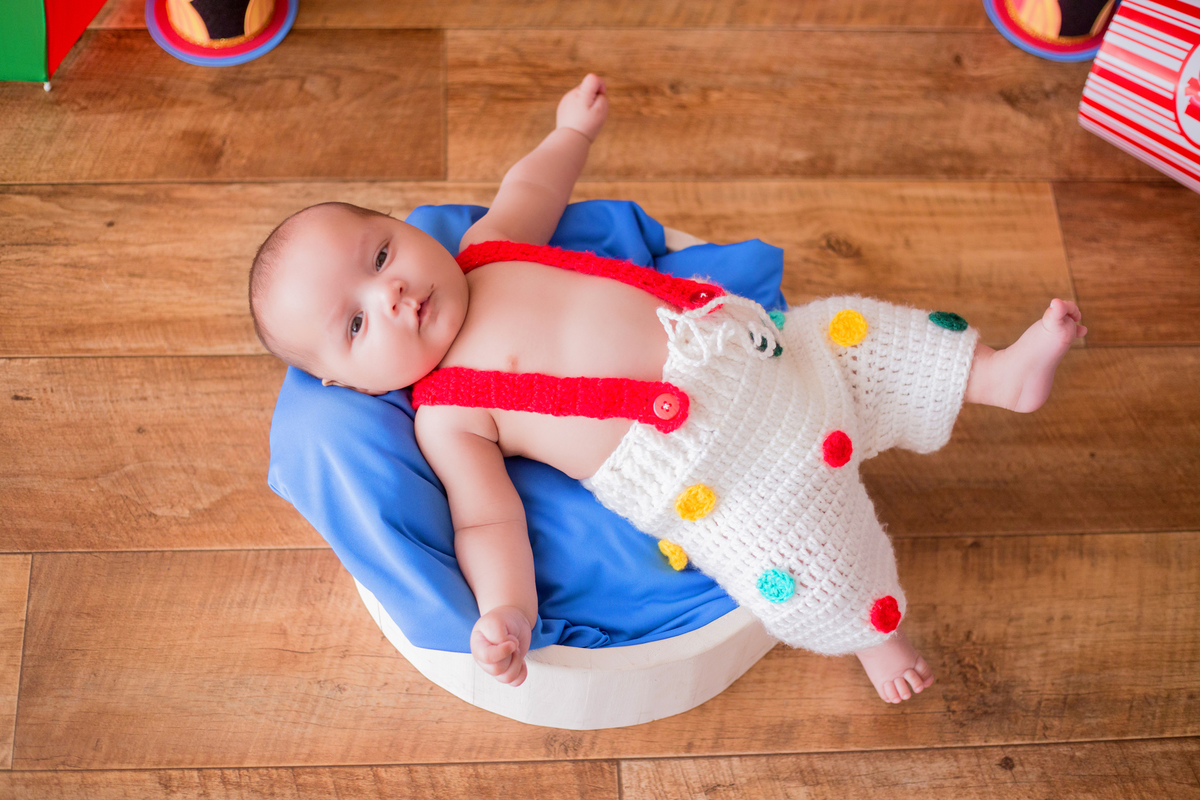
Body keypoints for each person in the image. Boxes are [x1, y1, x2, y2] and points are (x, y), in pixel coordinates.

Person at [248, 74, 1086, 704]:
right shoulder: (449, 415)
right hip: (709, 474)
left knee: (862, 337)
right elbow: (486, 517)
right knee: (810, 561)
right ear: (343, 382)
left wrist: (569, 132)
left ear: (403, 228)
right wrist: (505, 611)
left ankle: (996, 374)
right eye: (355, 325)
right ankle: (876, 637)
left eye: (381, 253)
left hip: (755, 351)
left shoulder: (487, 248)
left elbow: (532, 186)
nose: (389, 294)